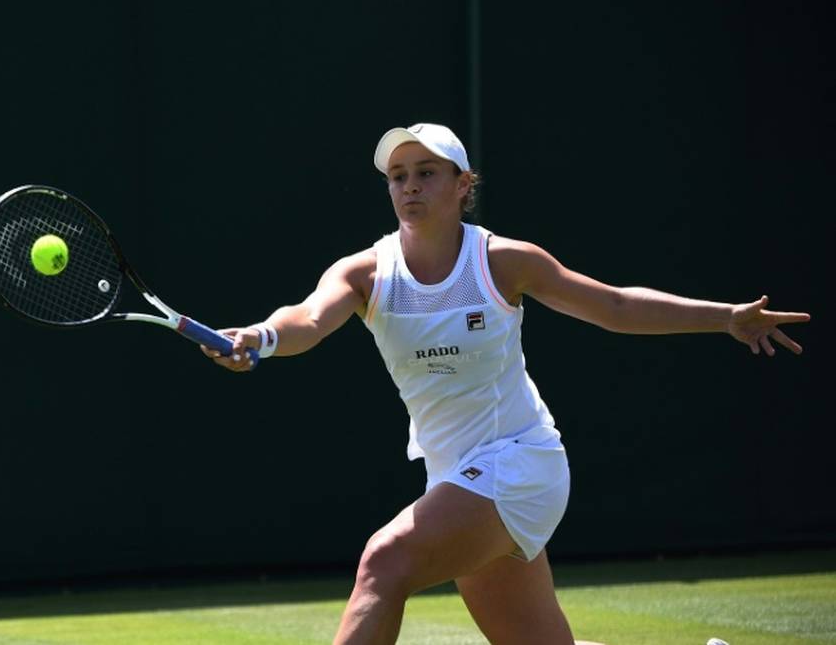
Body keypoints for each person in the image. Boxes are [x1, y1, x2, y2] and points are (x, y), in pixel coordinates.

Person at [200, 123, 810, 645]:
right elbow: (306, 318)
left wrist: (725, 317)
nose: (409, 185)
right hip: (456, 477)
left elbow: (617, 307)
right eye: (398, 175)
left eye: (427, 172)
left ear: (464, 185)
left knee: (383, 562)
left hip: (520, 465)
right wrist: (262, 336)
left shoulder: (503, 262)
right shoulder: (364, 272)